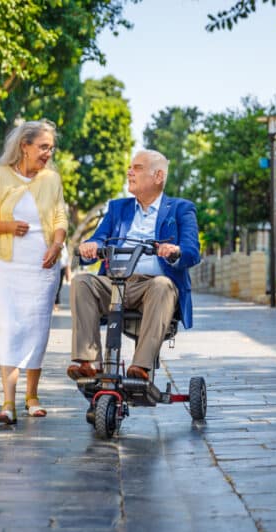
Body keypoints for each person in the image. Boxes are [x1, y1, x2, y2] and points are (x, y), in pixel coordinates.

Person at [67, 149, 201, 381]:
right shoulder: (119, 208)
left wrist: (175, 251)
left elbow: (192, 252)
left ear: (158, 176)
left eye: (137, 168)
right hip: (115, 282)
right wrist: (90, 246)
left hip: (152, 287)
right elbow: (99, 239)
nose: (129, 172)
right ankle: (89, 361)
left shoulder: (180, 209)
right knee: (82, 282)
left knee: (162, 284)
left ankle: (141, 366)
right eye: (130, 167)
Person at [0, 119, 67, 425]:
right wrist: (7, 227)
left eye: (51, 148)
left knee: (36, 329)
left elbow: (59, 216)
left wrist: (57, 244)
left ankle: (32, 397)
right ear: (24, 146)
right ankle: (8, 403)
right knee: (9, 328)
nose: (47, 153)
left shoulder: (52, 179)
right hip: (5, 267)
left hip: (42, 268)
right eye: (42, 147)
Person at [54, 244, 70, 311]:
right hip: (51, 267)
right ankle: (53, 303)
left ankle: (56, 304)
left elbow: (66, 259)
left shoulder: (63, 244)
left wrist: (68, 274)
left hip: (61, 268)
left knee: (58, 286)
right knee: (53, 286)